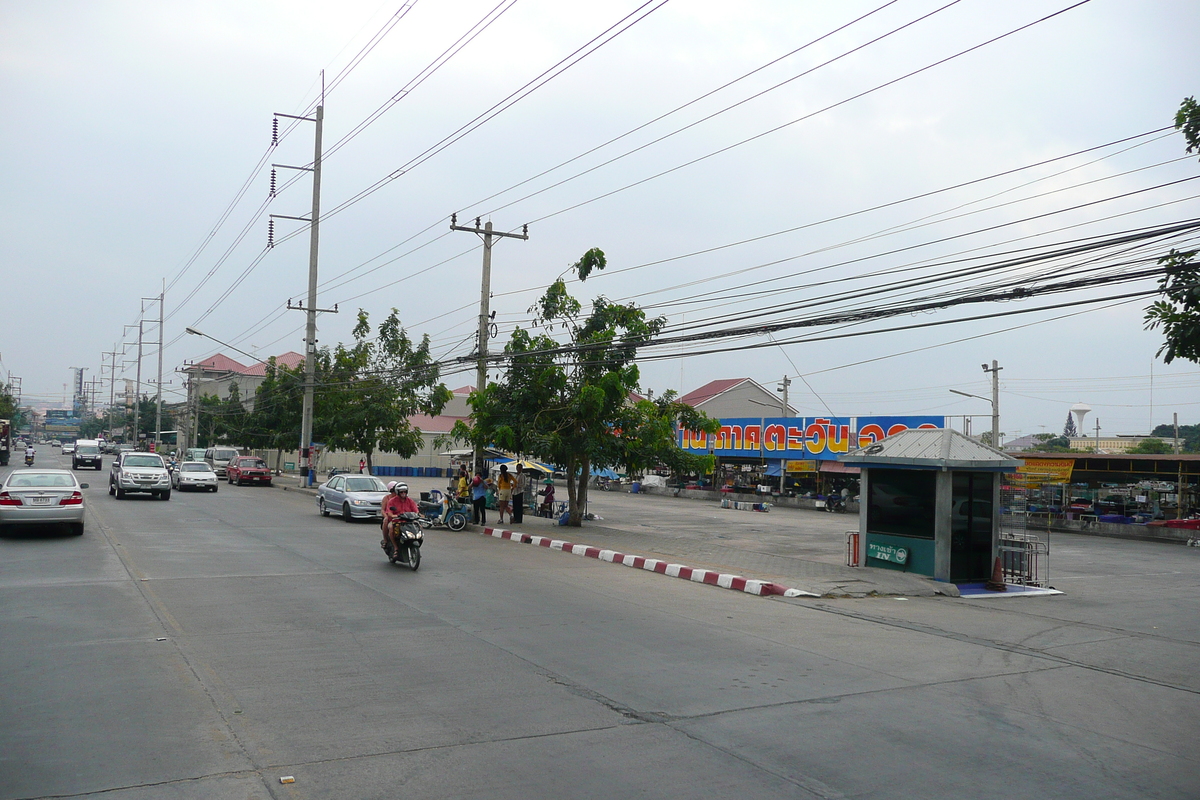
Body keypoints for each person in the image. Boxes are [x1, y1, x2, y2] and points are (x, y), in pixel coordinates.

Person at [382, 481, 420, 558]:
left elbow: (416, 510)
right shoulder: (391, 501)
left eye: (405, 491)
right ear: (397, 492)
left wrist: (416, 514)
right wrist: (393, 515)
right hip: (396, 521)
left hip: (408, 521)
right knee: (391, 528)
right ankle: (395, 547)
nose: (403, 493)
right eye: (401, 492)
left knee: (419, 527)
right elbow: (389, 512)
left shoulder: (410, 500)